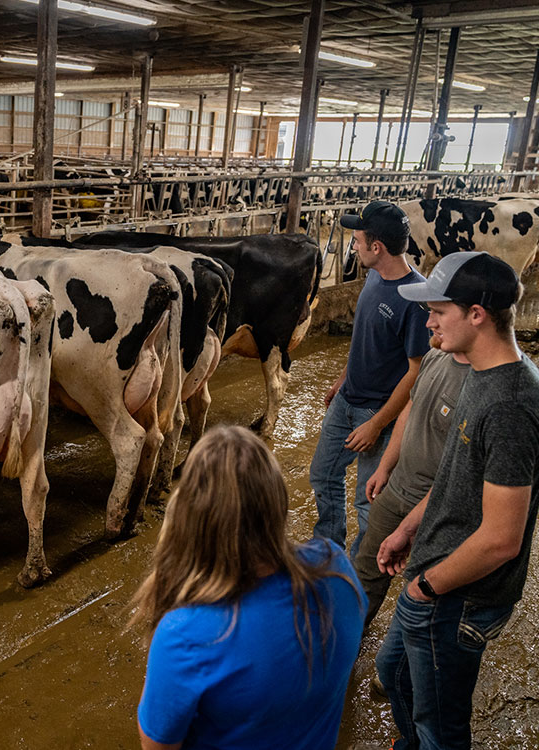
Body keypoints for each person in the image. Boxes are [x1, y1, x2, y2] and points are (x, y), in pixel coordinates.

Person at [375, 251, 539, 750]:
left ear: (476, 314)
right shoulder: (478, 372)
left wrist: (425, 587)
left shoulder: (510, 405)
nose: (427, 322)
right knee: (396, 675)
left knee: (440, 727)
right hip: (436, 571)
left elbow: (500, 540)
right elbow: (455, 477)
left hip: (459, 596)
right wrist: (407, 530)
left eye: (437, 311)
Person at [133, 425, 367, 750]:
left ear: (193, 518)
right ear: (276, 500)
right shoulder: (336, 569)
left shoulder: (185, 635)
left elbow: (157, 745)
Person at [310, 200, 431, 558]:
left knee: (369, 498)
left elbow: (416, 372)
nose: (354, 247)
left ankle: (361, 572)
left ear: (377, 247)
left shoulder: (416, 298)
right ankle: (329, 551)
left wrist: (378, 425)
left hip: (378, 413)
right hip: (348, 398)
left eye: (358, 241)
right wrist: (343, 377)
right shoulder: (374, 275)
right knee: (323, 475)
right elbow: (367, 335)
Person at [353, 340, 470, 628]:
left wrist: (412, 522)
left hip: (436, 509)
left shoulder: (482, 382)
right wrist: (385, 466)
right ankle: (345, 646)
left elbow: (463, 471)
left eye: (438, 312)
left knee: (423, 595)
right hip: (396, 490)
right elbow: (409, 411)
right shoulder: (434, 356)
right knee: (365, 572)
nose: (429, 322)